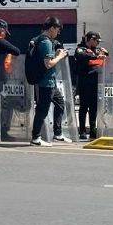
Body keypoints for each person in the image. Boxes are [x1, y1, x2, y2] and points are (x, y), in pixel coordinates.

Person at [29, 16, 69, 146]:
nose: (58, 33)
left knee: (60, 103)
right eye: (58, 30)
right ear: (52, 28)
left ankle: (58, 134)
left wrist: (56, 54)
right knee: (42, 109)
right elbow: (48, 63)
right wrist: (60, 56)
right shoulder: (46, 42)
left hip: (49, 81)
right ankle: (36, 138)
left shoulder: (39, 39)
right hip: (46, 82)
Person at [74, 31, 107, 140]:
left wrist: (104, 54)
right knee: (84, 106)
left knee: (94, 107)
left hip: (96, 81)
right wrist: (97, 55)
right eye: (96, 41)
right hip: (85, 81)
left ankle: (93, 129)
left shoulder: (97, 50)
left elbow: (105, 56)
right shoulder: (81, 49)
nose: (98, 43)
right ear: (90, 39)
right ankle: (82, 131)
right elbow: (82, 56)